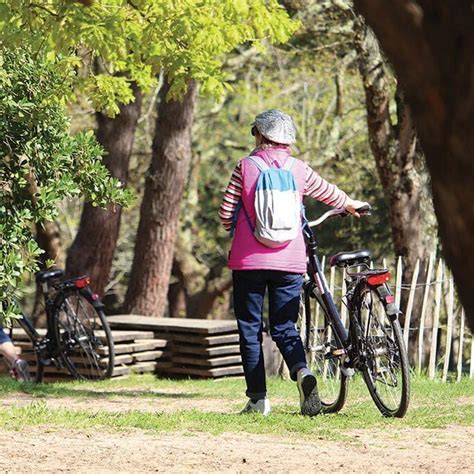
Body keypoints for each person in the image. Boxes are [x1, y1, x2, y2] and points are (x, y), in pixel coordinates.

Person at [218, 109, 368, 416]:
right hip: (290, 260)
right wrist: (350, 204)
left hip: (249, 261)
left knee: (249, 329)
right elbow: (329, 193)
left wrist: (236, 226)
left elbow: (224, 214)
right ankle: (302, 372)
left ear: (259, 135)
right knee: (284, 325)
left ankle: (259, 399)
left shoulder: (245, 167)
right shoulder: (299, 169)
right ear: (287, 139)